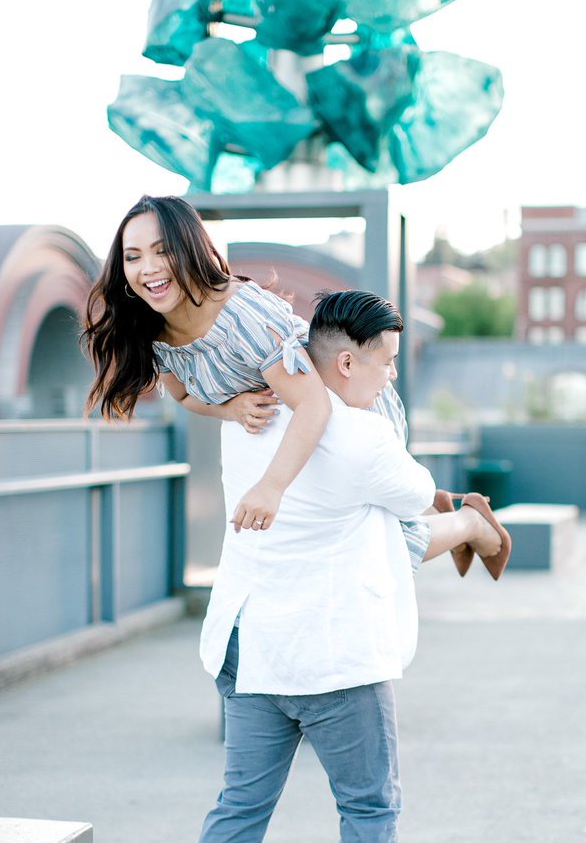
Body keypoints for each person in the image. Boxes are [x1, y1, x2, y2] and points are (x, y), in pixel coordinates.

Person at [162, 292, 442, 843]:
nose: (388, 381)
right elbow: (416, 497)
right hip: (332, 661)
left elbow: (194, 388)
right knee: (369, 809)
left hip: (250, 650)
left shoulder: (250, 413)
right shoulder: (358, 435)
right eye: (383, 365)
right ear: (345, 361)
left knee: (237, 811)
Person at [82, 195, 510, 579]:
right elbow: (182, 395)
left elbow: (314, 406)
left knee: (389, 547)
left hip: (343, 410)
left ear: (191, 249)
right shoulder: (152, 330)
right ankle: (433, 505)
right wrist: (229, 409)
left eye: (163, 251)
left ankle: (471, 521)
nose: (149, 268)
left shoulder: (242, 315)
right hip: (291, 436)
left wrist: (271, 487)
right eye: (133, 256)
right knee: (368, 539)